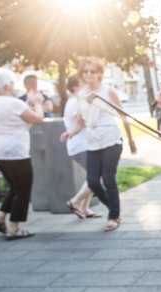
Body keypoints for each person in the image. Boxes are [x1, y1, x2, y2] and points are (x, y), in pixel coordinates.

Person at [61, 57, 137, 232]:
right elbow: (80, 122)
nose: (88, 74)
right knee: (93, 181)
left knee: (108, 178)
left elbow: (123, 115)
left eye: (92, 71)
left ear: (100, 74)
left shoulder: (108, 91)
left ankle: (113, 216)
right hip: (92, 139)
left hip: (110, 137)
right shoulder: (81, 94)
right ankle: (114, 208)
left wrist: (131, 139)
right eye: (85, 71)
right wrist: (70, 133)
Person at [0, 68, 45, 240]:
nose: (13, 85)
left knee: (14, 186)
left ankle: (0, 218)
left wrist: (28, 101)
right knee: (23, 188)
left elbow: (18, 114)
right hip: (15, 150)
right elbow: (37, 119)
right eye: (11, 82)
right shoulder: (13, 103)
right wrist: (38, 103)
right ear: (6, 85)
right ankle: (14, 227)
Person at [62, 75, 99, 219]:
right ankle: (75, 202)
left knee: (92, 177)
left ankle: (85, 208)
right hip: (80, 146)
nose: (87, 85)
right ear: (75, 87)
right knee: (97, 177)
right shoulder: (74, 102)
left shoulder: (76, 101)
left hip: (83, 144)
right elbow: (82, 121)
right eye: (83, 83)